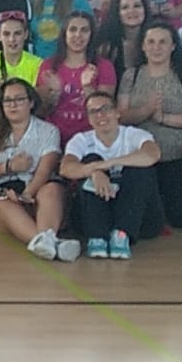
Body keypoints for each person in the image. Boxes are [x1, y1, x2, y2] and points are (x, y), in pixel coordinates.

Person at [0, 79, 69, 260]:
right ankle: (48, 242)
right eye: (8, 100)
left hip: (35, 189)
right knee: (1, 202)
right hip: (1, 192)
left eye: (19, 99)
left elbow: (45, 170)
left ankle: (47, 242)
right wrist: (8, 166)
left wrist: (26, 194)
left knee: (52, 189)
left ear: (31, 102)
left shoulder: (49, 131)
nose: (13, 105)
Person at [116, 20, 182, 229]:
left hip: (178, 154)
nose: (156, 47)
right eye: (151, 42)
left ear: (173, 46)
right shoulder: (131, 75)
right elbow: (121, 116)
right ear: (143, 46)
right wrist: (145, 111)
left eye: (162, 42)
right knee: (146, 219)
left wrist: (163, 118)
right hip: (141, 156)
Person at [60, 91, 163, 260]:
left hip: (139, 217)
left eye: (105, 109)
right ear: (88, 118)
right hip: (97, 212)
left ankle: (122, 234)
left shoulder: (134, 135)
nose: (100, 115)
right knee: (89, 159)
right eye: (93, 111)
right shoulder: (81, 140)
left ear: (117, 112)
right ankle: (97, 236)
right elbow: (66, 168)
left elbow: (152, 155)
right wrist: (94, 171)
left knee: (139, 166)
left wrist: (108, 164)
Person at [36, 11, 117, 144]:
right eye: (73, 29)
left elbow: (104, 112)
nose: (78, 35)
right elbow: (40, 112)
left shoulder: (104, 66)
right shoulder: (48, 65)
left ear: (91, 35)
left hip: (91, 138)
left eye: (84, 30)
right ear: (64, 34)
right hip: (53, 138)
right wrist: (55, 93)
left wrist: (87, 87)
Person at [99, 0, 151, 80]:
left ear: (145, 10)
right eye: (125, 7)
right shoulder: (107, 45)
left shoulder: (156, 40)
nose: (132, 11)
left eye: (137, 6)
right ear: (117, 13)